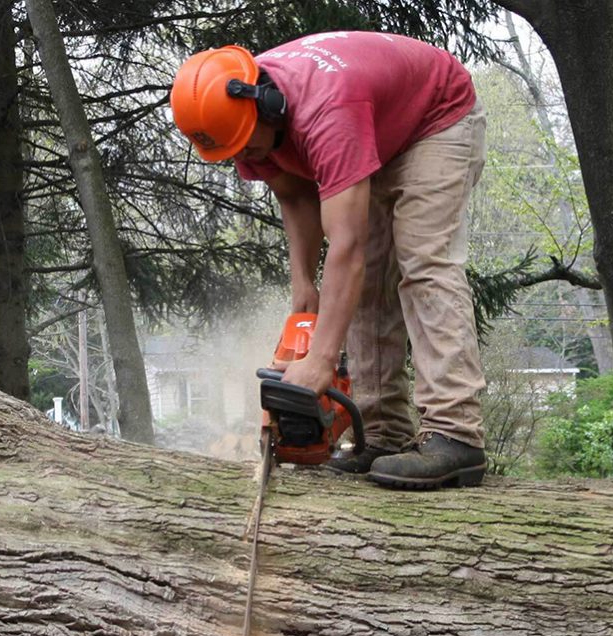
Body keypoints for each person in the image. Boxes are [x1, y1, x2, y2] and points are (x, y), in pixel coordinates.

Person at [169, 31, 487, 489]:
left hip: (435, 117)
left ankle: (457, 435)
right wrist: (304, 287)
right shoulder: (239, 122)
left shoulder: (326, 112)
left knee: (424, 263)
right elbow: (295, 195)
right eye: (233, 151)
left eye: (246, 147)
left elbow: (347, 248)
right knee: (369, 285)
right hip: (377, 127)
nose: (244, 159)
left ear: (265, 104)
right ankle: (384, 433)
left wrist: (321, 359)